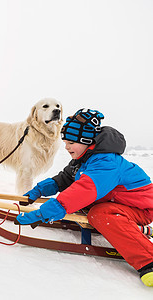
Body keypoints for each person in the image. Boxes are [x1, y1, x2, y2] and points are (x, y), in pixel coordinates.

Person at [15, 108, 153, 287]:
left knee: (99, 214)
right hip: (116, 202)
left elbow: (83, 191)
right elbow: (65, 178)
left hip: (140, 208)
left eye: (71, 142)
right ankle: (129, 230)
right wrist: (39, 190)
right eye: (65, 142)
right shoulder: (84, 159)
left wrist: (44, 212)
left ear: (87, 141)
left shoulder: (105, 163)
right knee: (88, 206)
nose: (66, 146)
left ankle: (148, 260)